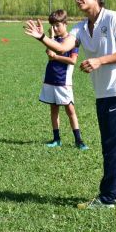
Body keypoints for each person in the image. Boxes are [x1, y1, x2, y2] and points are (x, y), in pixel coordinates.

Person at [24, 0, 116, 210]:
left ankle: (106, 199)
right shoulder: (82, 27)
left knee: (111, 147)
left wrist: (99, 61)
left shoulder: (114, 18)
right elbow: (64, 47)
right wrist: (42, 38)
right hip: (102, 94)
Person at [39, 9, 88, 151]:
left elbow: (72, 61)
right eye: (52, 26)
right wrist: (51, 38)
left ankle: (78, 140)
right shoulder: (52, 41)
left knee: (70, 110)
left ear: (65, 24)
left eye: (57, 25)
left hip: (63, 81)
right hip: (50, 79)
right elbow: (49, 55)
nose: (55, 28)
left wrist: (56, 57)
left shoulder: (72, 41)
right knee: (53, 110)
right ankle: (56, 139)